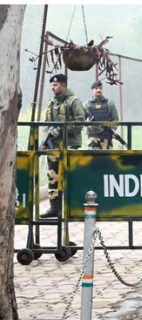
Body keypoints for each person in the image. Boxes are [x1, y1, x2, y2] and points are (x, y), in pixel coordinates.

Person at [40, 73, 87, 219]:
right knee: (53, 177)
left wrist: (60, 129)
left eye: (55, 85)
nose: (52, 87)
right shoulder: (52, 103)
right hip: (53, 146)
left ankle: (74, 207)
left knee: (70, 176)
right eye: (52, 85)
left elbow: (80, 121)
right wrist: (45, 141)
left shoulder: (73, 101)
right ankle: (55, 208)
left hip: (69, 145)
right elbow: (47, 125)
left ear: (64, 85)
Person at [84, 80, 120, 149]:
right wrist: (88, 125)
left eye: (100, 88)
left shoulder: (110, 103)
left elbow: (116, 120)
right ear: (92, 90)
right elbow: (81, 119)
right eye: (96, 88)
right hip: (93, 139)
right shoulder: (87, 104)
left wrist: (112, 129)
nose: (98, 90)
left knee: (108, 159)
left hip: (107, 138)